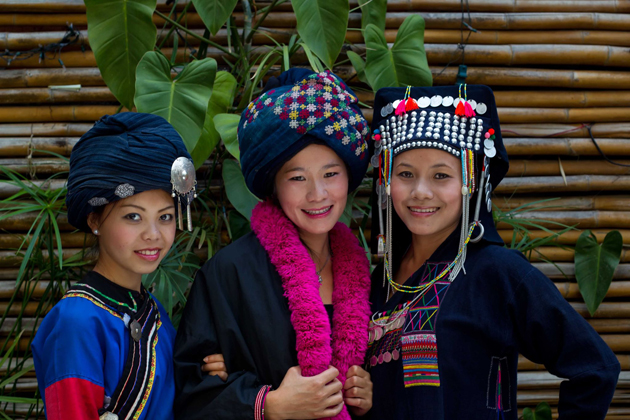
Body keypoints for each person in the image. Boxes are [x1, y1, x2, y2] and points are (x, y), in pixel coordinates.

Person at [365, 84, 620, 419]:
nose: (420, 192)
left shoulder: (498, 272)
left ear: (473, 182)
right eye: (405, 174)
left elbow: (595, 369)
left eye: (441, 175)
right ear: (386, 180)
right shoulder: (380, 280)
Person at [173, 69, 374, 420]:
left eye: (331, 174)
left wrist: (366, 392)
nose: (318, 194)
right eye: (297, 178)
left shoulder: (363, 271)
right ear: (274, 186)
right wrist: (269, 405)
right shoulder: (229, 273)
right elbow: (192, 391)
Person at [31, 113, 199, 420]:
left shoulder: (157, 317)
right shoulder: (77, 322)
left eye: (165, 216)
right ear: (94, 219)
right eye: (133, 216)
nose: (153, 234)